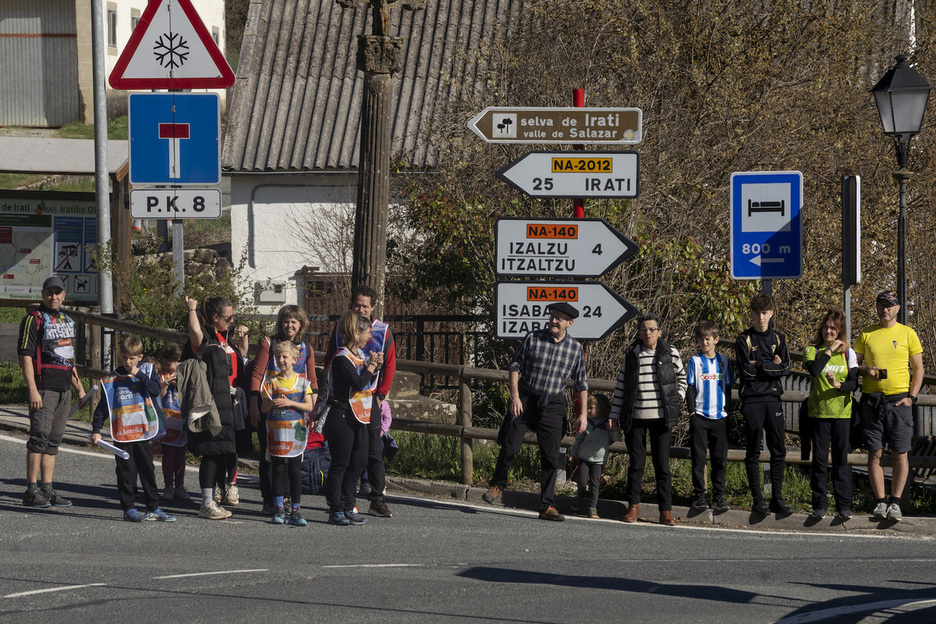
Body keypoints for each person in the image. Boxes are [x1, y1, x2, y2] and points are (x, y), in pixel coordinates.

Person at [482, 302, 588, 522]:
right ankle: (497, 486)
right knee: (510, 444)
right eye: (553, 316)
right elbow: (514, 367)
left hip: (553, 404)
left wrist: (583, 414)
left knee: (550, 457)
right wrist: (515, 397)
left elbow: (581, 384)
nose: (554, 320)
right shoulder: (533, 338)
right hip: (527, 398)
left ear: (570, 323)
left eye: (560, 318)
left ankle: (547, 506)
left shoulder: (575, 349)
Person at [323, 285, 396, 518]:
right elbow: (331, 361)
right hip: (345, 403)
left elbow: (391, 363)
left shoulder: (382, 330)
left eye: (365, 306)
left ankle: (377, 498)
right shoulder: (341, 331)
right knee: (346, 457)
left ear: (373, 307)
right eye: (357, 305)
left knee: (372, 450)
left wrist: (382, 393)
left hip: (369, 398)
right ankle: (345, 502)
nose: (361, 309)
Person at [610, 313, 686, 526]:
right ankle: (633, 507)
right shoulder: (632, 355)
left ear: (660, 332)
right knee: (636, 465)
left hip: (662, 418)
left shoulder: (670, 352)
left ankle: (665, 511)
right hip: (636, 418)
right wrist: (614, 414)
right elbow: (621, 387)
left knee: (662, 465)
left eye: (652, 329)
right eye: (644, 329)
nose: (648, 333)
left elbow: (683, 378)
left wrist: (676, 398)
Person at [854, 290, 924, 522]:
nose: (885, 309)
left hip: (899, 400)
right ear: (876, 308)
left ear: (898, 308)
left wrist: (911, 397)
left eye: (889, 305)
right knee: (874, 452)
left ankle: (895, 503)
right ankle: (880, 502)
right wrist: (868, 371)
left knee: (900, 453)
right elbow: (854, 366)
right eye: (881, 305)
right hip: (872, 400)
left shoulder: (908, 333)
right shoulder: (866, 334)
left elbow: (919, 368)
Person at [18, 275, 87, 508]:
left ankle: (47, 490)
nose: (54, 296)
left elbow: (69, 358)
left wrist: (79, 387)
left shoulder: (68, 320)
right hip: (44, 387)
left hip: (64, 388)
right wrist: (33, 390)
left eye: (58, 293)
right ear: (43, 295)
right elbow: (25, 356)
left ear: (64, 295)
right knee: (39, 438)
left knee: (53, 441)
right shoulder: (33, 320)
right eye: (50, 292)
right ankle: (31, 491)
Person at [91, 337, 175, 522]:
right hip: (123, 432)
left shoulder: (147, 371)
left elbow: (154, 391)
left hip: (144, 429)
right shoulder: (112, 379)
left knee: (147, 469)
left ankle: (154, 507)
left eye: (132, 358)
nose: (127, 362)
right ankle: (128, 508)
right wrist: (96, 429)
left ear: (140, 357)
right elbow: (103, 407)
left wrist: (139, 374)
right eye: (124, 358)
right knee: (125, 471)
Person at [183, 295, 249, 520]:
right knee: (210, 454)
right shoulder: (206, 338)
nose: (231, 321)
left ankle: (213, 500)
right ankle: (206, 503)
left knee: (221, 453)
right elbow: (194, 332)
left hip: (227, 404)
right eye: (228, 318)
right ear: (214, 318)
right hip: (210, 404)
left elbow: (240, 359)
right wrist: (192, 309)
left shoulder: (224, 338)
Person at [250, 305, 318, 514]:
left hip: (296, 415)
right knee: (269, 457)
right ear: (281, 323)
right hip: (270, 411)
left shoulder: (306, 348)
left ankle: (286, 499)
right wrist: (254, 406)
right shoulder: (269, 343)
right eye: (286, 321)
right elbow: (257, 374)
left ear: (301, 325)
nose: (290, 325)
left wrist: (311, 413)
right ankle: (268, 499)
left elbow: (312, 381)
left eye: (294, 322)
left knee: (292, 458)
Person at [735, 292, 792, 516]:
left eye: (765, 313)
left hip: (773, 399)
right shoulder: (744, 339)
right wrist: (770, 364)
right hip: (752, 399)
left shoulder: (779, 338)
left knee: (779, 450)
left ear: (771, 313)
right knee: (752, 451)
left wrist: (759, 364)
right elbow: (745, 372)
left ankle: (777, 498)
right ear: (752, 314)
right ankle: (757, 500)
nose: (761, 317)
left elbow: (786, 368)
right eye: (757, 313)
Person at [803, 309, 859, 519]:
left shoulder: (848, 353)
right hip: (819, 413)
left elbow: (854, 383)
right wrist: (828, 351)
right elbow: (815, 371)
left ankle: (843, 506)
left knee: (840, 460)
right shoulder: (812, 350)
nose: (829, 331)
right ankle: (819, 504)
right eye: (826, 327)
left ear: (839, 331)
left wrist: (839, 385)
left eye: (833, 328)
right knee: (819, 460)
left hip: (842, 414)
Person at [261, 340, 315, 526]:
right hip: (277, 433)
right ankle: (278, 509)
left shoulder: (302, 383)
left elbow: (309, 406)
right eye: (278, 357)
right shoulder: (271, 383)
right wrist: (272, 402)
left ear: (295, 359)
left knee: (295, 472)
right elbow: (263, 407)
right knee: (277, 471)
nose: (281, 360)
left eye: (285, 357)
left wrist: (290, 403)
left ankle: (296, 511)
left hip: (296, 433)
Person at [686, 320, 734, 513]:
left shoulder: (724, 362)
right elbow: (689, 387)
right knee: (698, 459)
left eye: (708, 339)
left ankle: (719, 496)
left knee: (719, 459)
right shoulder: (694, 361)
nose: (704, 343)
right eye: (701, 339)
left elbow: (729, 388)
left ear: (716, 340)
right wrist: (691, 413)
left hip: (719, 417)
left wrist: (728, 412)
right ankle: (699, 495)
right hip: (700, 416)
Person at [569, 394, 614, 519]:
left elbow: (616, 438)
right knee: (582, 482)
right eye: (587, 407)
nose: (588, 410)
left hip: (599, 459)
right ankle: (580, 499)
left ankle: (592, 507)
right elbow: (578, 439)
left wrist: (614, 428)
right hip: (584, 457)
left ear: (600, 409)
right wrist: (573, 453)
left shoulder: (607, 424)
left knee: (595, 483)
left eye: (591, 408)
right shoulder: (586, 423)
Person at [158, 343, 189, 501]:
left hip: (181, 421)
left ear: (178, 361)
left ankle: (180, 486)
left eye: (169, 364)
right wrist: (164, 385)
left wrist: (181, 385)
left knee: (181, 456)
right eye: (165, 364)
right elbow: (159, 396)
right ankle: (168, 486)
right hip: (167, 421)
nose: (167, 366)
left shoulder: (185, 374)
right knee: (168, 455)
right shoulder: (163, 375)